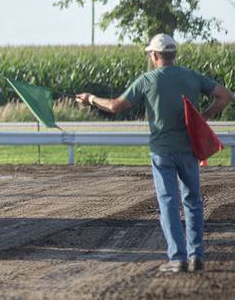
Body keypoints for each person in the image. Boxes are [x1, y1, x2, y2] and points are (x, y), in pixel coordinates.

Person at [75, 33, 233, 273]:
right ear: (173, 54)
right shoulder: (191, 76)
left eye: (150, 53)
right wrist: (203, 118)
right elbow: (225, 96)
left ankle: (177, 258)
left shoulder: (148, 80)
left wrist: (91, 98)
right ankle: (196, 257)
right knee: (193, 201)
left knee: (169, 202)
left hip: (162, 151)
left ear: (156, 55)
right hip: (189, 149)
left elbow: (116, 106)